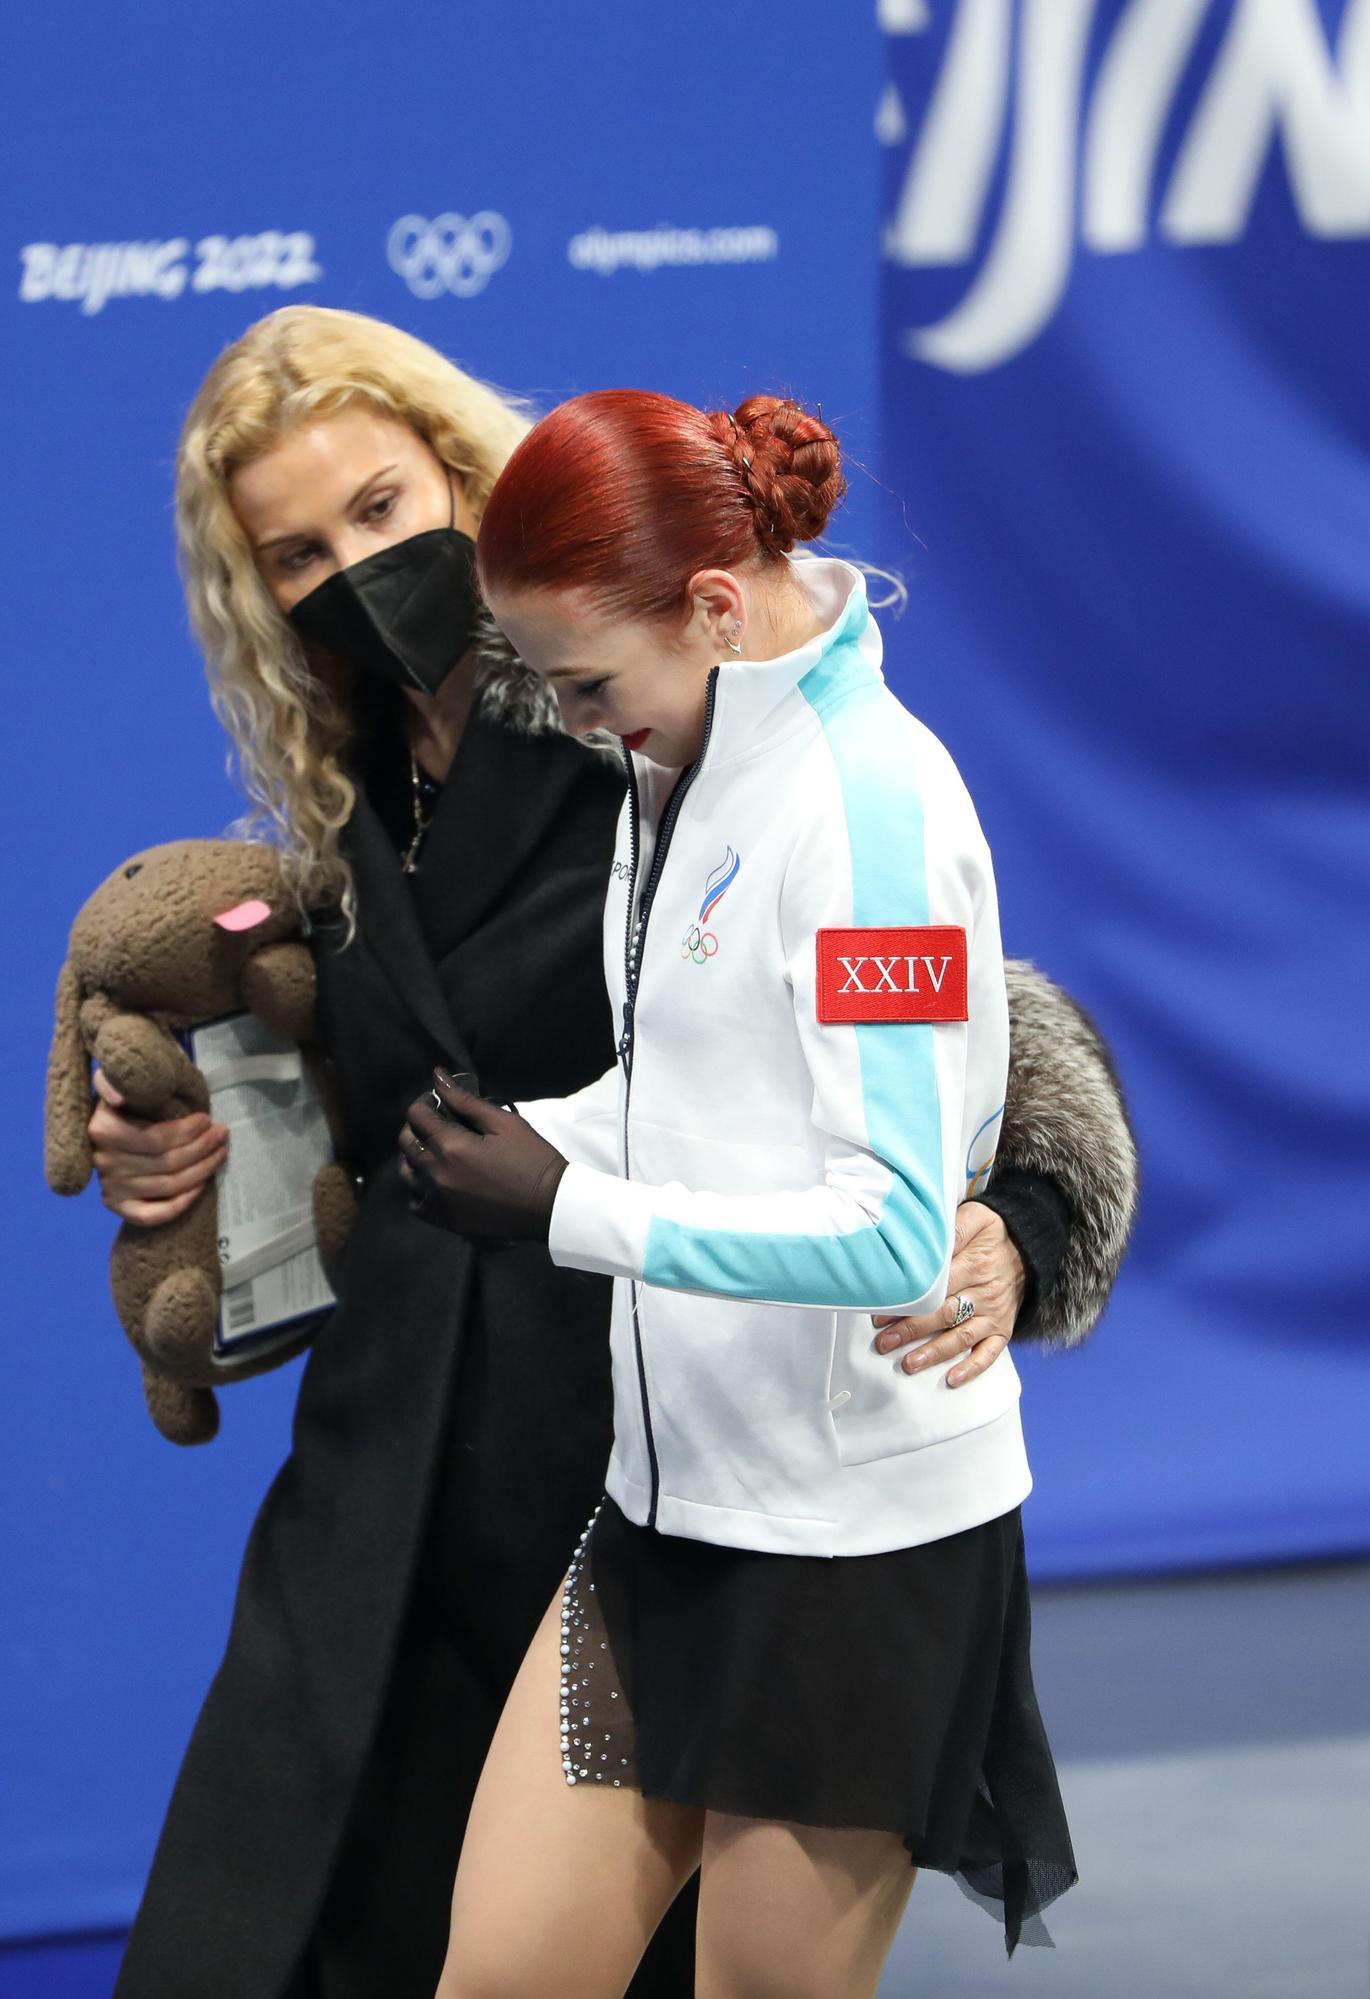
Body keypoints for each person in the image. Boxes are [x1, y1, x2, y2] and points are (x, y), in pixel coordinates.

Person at [88, 308, 1136, 1999]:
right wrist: (200, 1160)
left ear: (465, 481)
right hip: (425, 1467)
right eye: (294, 553)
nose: (351, 570)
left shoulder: (659, 709)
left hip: (697, 1447)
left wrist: (1018, 1215)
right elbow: (415, 1098)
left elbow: (949, 1048)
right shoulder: (346, 788)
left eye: (378, 508)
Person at [398, 388, 1082, 1997]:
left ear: (713, 608)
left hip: (855, 1559)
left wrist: (563, 1209)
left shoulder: (867, 815)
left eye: (588, 684)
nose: (579, 724)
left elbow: (894, 1235)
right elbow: (705, 1100)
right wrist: (524, 1136)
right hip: (664, 1511)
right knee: (495, 1981)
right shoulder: (680, 757)